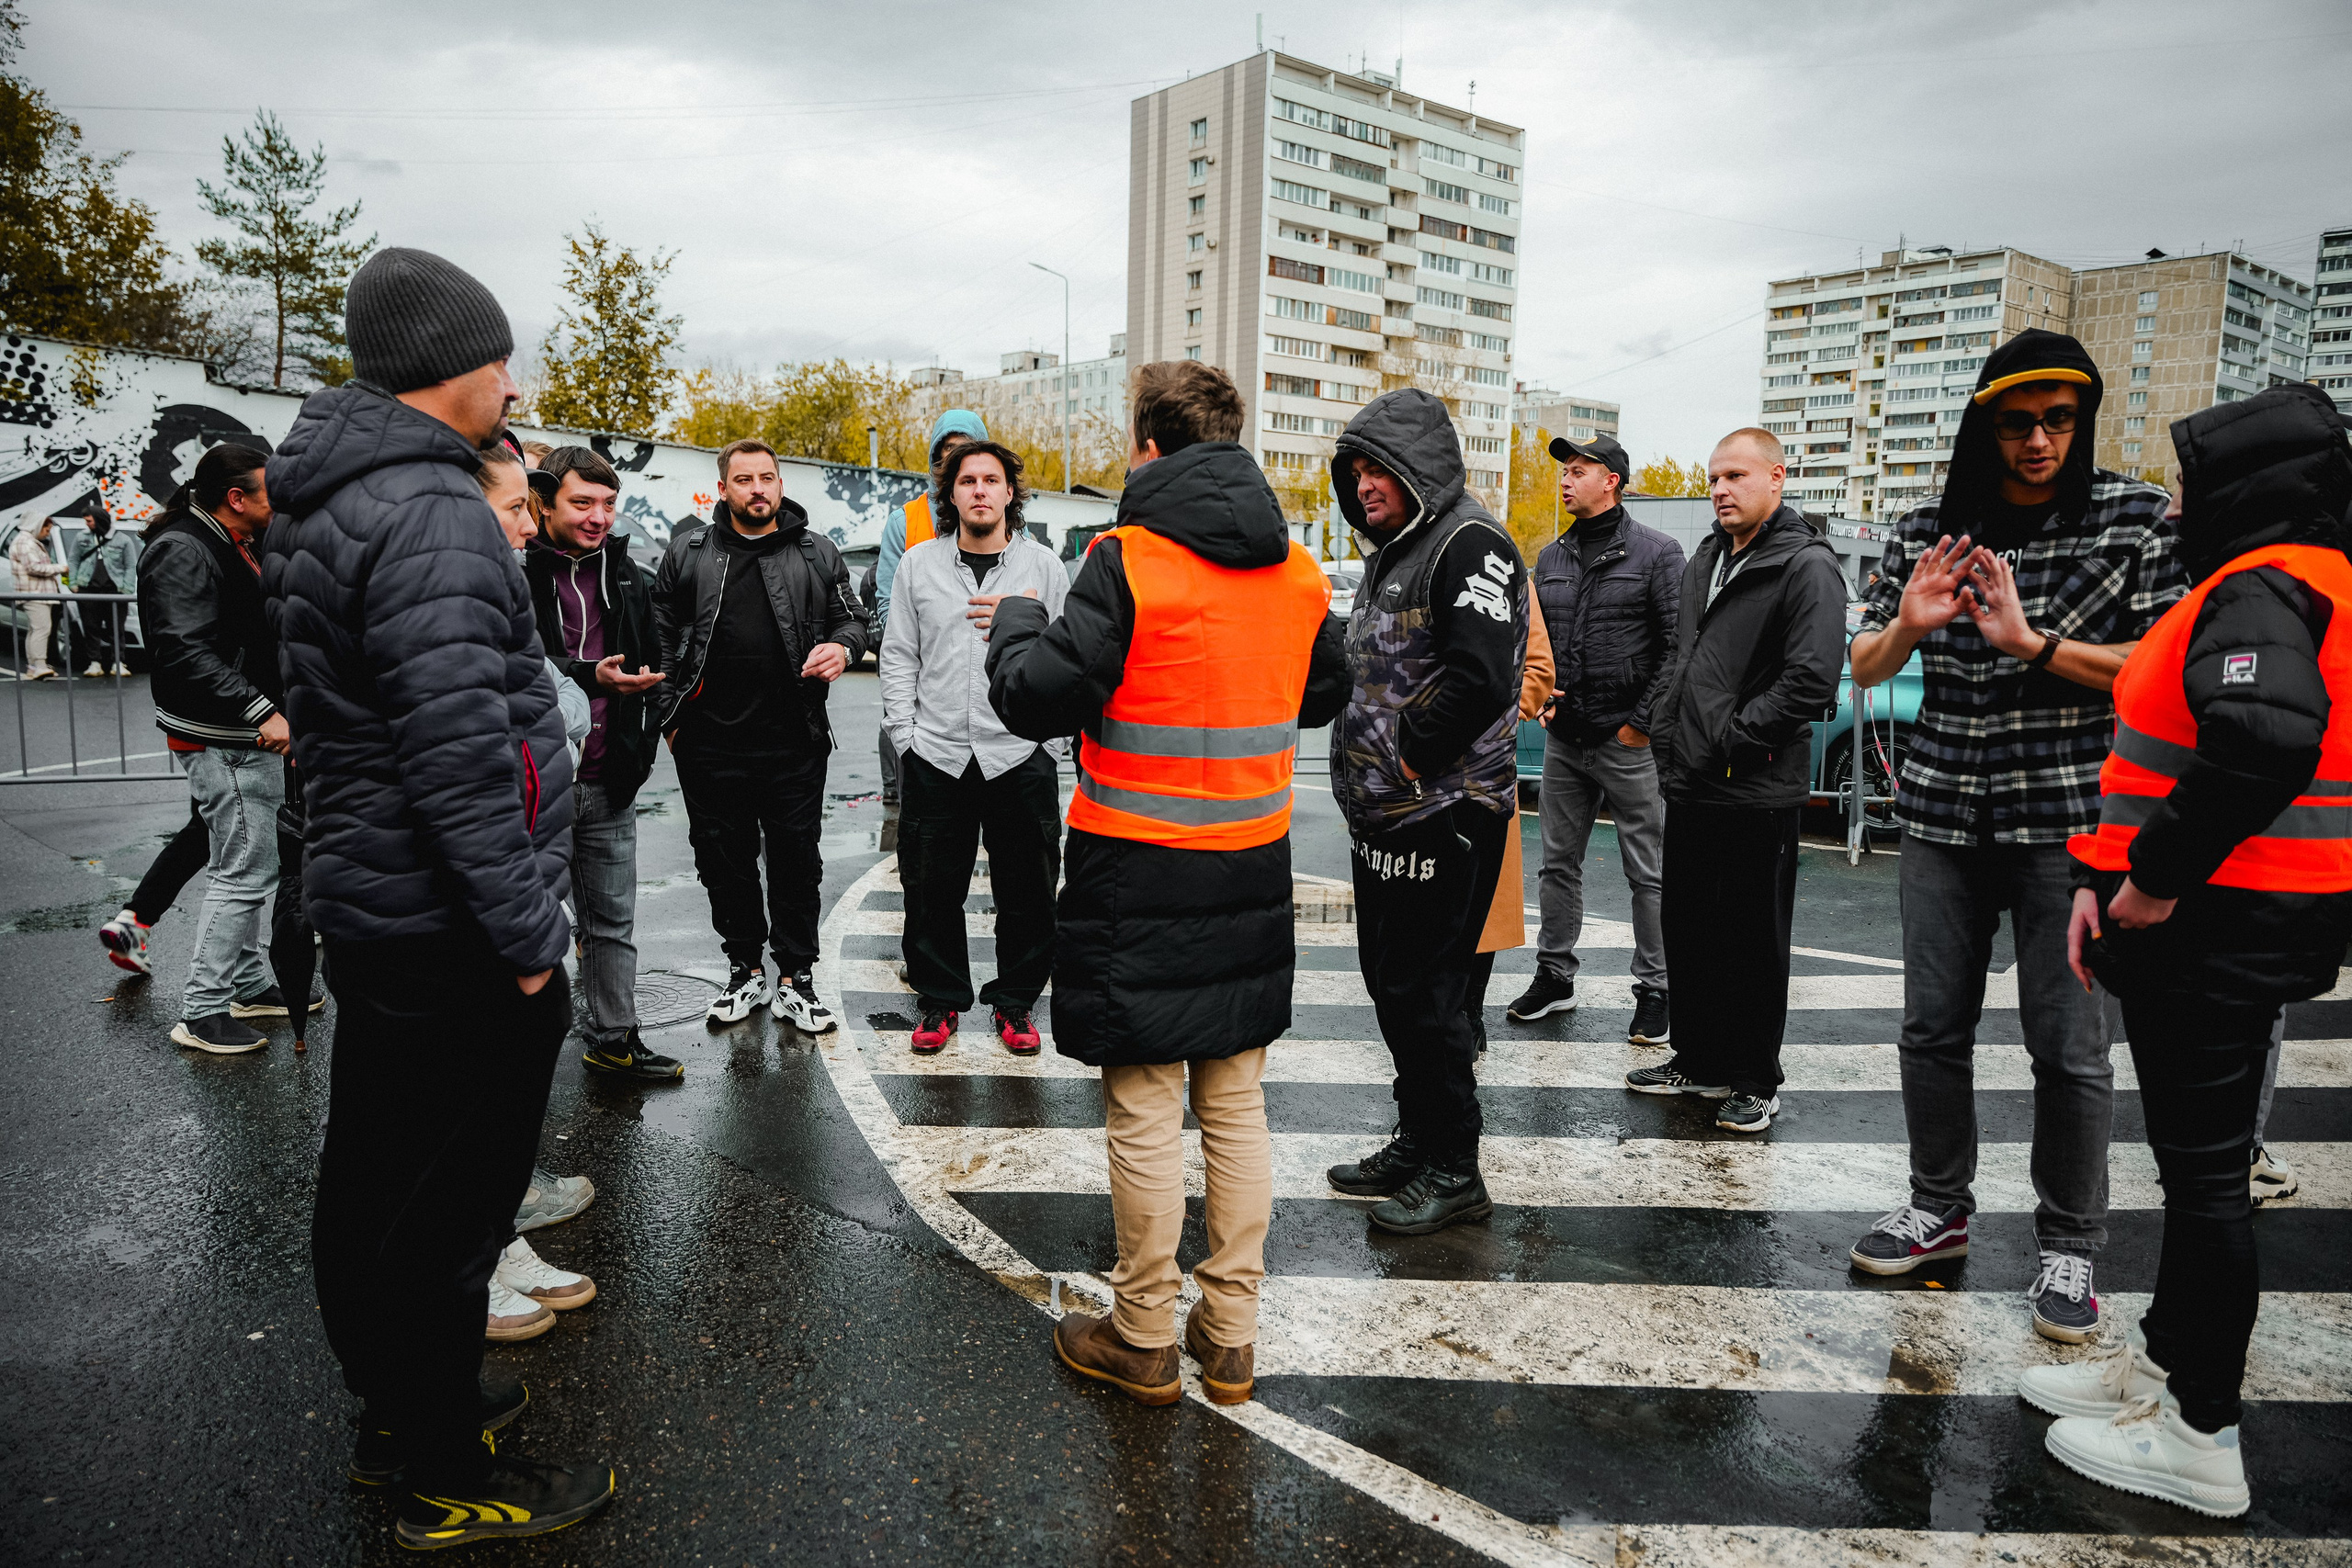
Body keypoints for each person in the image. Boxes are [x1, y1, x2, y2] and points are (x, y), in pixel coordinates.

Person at [263, 246, 613, 1547]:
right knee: (449, 1206)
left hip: (377, 900)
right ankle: (442, 1466)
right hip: (452, 920)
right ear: (448, 367)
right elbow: (462, 750)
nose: (514, 383)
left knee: (376, 1172)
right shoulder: (430, 509)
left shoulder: (329, 489)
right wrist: (530, 941)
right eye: (502, 358)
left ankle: (398, 1408)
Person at [2021, 381, 2352, 1517]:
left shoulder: (2265, 586)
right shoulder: (2306, 582)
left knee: (2207, 1184)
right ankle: (2163, 1369)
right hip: (2237, 917)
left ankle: (2198, 1432)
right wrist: (2099, 874)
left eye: (2190, 483)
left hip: (2217, 927)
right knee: (2197, 1176)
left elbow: (2264, 735)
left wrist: (2152, 883)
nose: (2172, 506)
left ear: (2245, 489)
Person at [988, 358, 1343, 1407]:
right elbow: (1324, 688)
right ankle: (1228, 1334)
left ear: (1147, 447)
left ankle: (1141, 1332)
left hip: (1134, 870)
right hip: (1249, 863)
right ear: (1232, 440)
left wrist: (1015, 626)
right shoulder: (1298, 571)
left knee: (1144, 1107)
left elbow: (1035, 697)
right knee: (1234, 1103)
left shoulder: (1126, 559)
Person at [1844, 329, 2182, 1346]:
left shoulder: (2132, 520)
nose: (2038, 440)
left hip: (2070, 822)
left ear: (2080, 423)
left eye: (2058, 421)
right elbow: (1861, 663)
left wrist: (2033, 644)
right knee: (1928, 1029)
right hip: (1944, 811)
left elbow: (2159, 667)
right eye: (2017, 422)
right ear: (1984, 426)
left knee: (2068, 1048)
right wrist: (1908, 623)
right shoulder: (1928, 526)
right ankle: (1938, 1207)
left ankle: (2070, 1243)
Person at [1324, 388, 1528, 1235]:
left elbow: (1481, 677)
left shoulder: (1469, 542)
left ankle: (1456, 1166)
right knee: (1395, 988)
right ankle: (1418, 1138)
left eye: (1382, 466)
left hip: (1446, 811)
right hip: (1387, 817)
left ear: (1423, 466)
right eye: (1358, 469)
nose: (1368, 483)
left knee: (1437, 999)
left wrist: (1407, 753)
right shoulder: (1393, 550)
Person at [1630, 430, 1846, 1134]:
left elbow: (1810, 678)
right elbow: (1682, 657)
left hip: (1753, 788)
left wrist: (1734, 742)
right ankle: (1698, 1058)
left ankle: (1755, 1077)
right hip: (1692, 779)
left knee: (1753, 940)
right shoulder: (1708, 558)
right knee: (1690, 928)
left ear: (1776, 478)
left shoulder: (1805, 565)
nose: (1720, 488)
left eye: (1735, 475)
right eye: (1714, 476)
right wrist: (1666, 728)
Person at [653, 438, 867, 1032]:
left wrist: (844, 646)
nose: (757, 488)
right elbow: (662, 632)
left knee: (797, 863)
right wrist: (671, 719)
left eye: (766, 477)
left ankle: (796, 979)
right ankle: (744, 970)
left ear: (779, 483)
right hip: (708, 743)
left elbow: (853, 617)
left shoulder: (816, 551)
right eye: (743, 479)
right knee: (725, 863)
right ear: (723, 488)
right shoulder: (690, 552)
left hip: (793, 740)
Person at [881, 437, 1069, 1054]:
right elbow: (899, 655)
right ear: (951, 494)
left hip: (1019, 749)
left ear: (1010, 492)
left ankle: (1015, 1003)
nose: (980, 491)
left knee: (1029, 890)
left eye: (992, 480)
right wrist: (905, 737)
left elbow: (1068, 657)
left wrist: (1053, 739)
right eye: (968, 482)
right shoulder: (918, 565)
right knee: (931, 887)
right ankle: (939, 1001)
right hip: (936, 751)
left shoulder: (1043, 567)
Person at [1508, 433, 1683, 1043]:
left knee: (1648, 872)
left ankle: (1657, 989)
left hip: (1627, 741)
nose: (1566, 479)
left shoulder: (1658, 554)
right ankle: (1554, 977)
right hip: (1567, 741)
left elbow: (1676, 647)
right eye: (1565, 471)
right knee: (1557, 865)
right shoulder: (1551, 557)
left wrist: (1640, 723)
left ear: (1612, 479)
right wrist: (1541, 695)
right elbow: (1534, 640)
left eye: (1578, 470)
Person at [139, 443, 311, 1054]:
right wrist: (260, 708)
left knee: (245, 863)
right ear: (237, 497)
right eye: (273, 490)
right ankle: (203, 1009)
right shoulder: (184, 549)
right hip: (227, 738)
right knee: (244, 870)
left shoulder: (232, 539)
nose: (283, 500)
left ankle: (243, 981)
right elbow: (183, 649)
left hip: (239, 734)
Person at [523, 445, 675, 1080]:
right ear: (546, 502)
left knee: (613, 921)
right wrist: (591, 675)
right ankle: (520, 1049)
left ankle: (614, 1038)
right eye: (582, 502)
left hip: (611, 776)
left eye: (608, 503)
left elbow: (653, 657)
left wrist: (652, 733)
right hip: (534, 786)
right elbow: (513, 665)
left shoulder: (630, 573)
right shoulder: (512, 571)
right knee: (528, 925)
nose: (598, 516)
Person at [876, 409, 989, 804]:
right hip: (926, 700)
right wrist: (904, 734)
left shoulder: (1003, 519)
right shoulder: (904, 522)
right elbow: (889, 607)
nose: (953, 461)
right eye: (945, 453)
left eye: (964, 450)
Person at [1463, 607, 1555, 1055]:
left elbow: (1537, 667)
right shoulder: (1394, 559)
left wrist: (1491, 720)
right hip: (1408, 774)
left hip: (1481, 766)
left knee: (1483, 897)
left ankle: (1469, 1011)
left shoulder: (1500, 565)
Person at [70, 508, 139, 675]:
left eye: (89, 521)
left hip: (115, 590)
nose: (87, 524)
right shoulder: (81, 538)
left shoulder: (123, 540)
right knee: (90, 627)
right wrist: (73, 583)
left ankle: (119, 662)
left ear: (100, 520)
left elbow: (130, 565)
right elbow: (73, 559)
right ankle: (95, 662)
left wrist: (127, 588)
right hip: (87, 588)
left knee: (116, 627)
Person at [10, 513, 64, 677]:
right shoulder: (26, 542)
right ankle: (39, 664)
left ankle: (34, 665)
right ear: (37, 525)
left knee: (34, 630)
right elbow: (34, 567)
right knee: (42, 629)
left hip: (32, 593)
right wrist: (59, 568)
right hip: (35, 593)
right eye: (46, 529)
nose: (47, 533)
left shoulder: (24, 541)